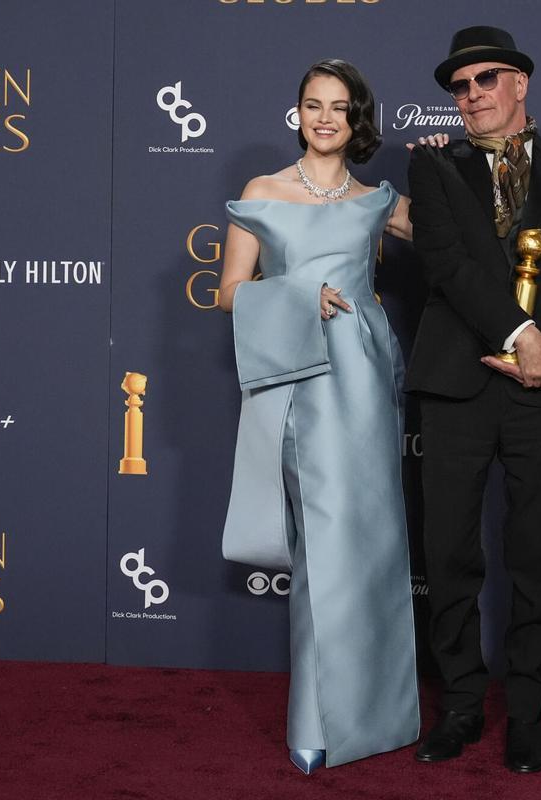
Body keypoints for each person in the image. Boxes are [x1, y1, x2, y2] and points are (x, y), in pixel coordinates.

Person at [406, 26, 541, 773]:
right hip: (458, 385)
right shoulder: (433, 165)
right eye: (459, 88)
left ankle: (526, 713)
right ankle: (462, 706)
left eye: (485, 80)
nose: (471, 96)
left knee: (535, 555)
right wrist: (522, 333)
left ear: (520, 83)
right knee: (449, 554)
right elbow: (448, 265)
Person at [217, 59, 418, 774]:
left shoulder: (378, 201)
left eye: (338, 106)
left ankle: (383, 717)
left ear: (357, 118)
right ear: (296, 113)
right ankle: (317, 719)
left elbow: (458, 250)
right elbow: (228, 291)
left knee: (374, 546)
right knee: (324, 548)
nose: (324, 116)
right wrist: (299, 296)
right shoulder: (263, 192)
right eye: (312, 104)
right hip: (300, 380)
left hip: (364, 382)